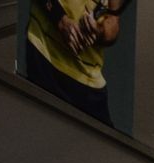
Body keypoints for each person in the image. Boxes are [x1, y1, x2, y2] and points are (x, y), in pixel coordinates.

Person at [25, 0, 130, 129]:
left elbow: (113, 21)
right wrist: (60, 20)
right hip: (44, 57)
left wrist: (99, 31)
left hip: (87, 79)